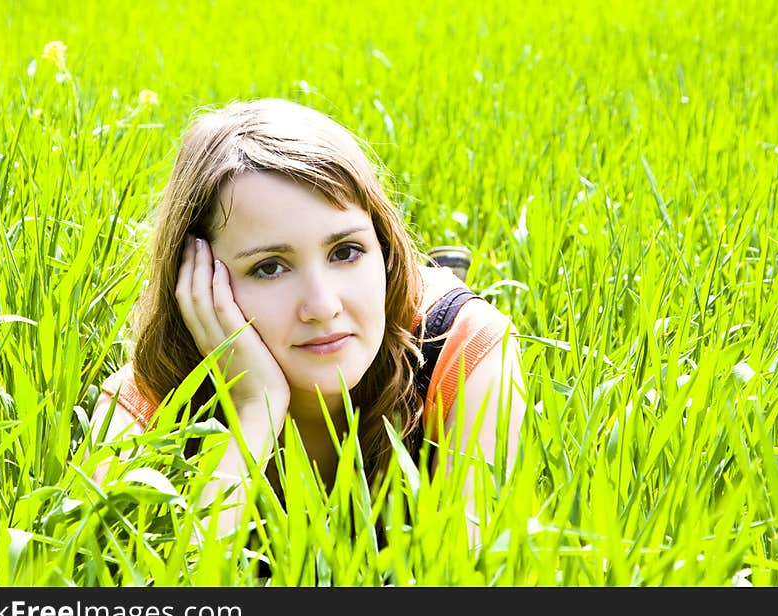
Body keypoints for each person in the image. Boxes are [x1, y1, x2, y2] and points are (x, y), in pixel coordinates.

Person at [89, 97, 525, 542]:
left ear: (386, 251)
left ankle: (438, 271)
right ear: (198, 279)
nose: (322, 306)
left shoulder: (463, 350)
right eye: (270, 267)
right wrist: (253, 411)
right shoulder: (150, 402)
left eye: (346, 252)